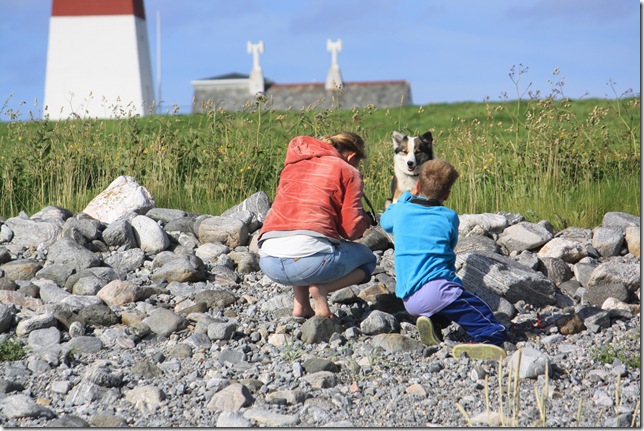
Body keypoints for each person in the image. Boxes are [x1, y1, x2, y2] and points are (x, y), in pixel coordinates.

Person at [380, 158, 508, 353]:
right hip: (437, 289)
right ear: (447, 194)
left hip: (408, 297)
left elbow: (385, 221)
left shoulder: (401, 211)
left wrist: (406, 197)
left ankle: (433, 324)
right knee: (475, 307)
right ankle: (489, 336)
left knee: (448, 306)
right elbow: (450, 244)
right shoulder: (449, 217)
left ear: (418, 185)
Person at [258, 132, 377, 319]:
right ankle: (323, 289)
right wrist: (364, 221)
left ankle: (301, 307)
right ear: (352, 156)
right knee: (368, 258)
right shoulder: (348, 170)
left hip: (268, 261)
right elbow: (351, 231)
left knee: (304, 239)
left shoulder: (293, 166)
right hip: (309, 263)